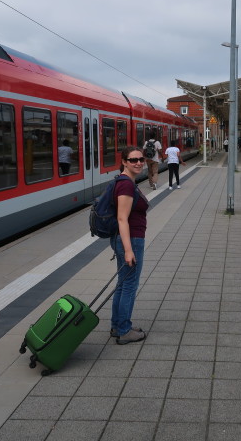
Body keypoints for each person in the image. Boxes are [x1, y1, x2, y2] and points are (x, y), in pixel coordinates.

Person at [111, 146, 149, 345]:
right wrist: (128, 250)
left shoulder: (125, 181)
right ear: (124, 162)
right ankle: (124, 330)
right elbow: (121, 218)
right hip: (131, 240)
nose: (138, 163)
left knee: (123, 284)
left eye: (141, 159)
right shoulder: (126, 185)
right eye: (133, 160)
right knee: (129, 286)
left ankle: (118, 325)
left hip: (127, 239)